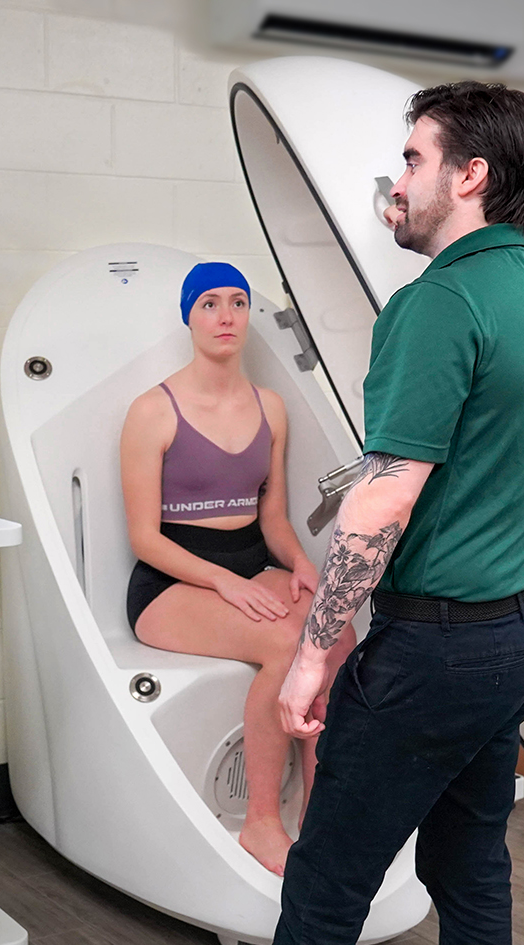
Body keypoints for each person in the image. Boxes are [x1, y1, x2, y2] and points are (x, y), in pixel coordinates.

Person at [132, 81, 524, 945]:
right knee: (473, 875)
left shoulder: (437, 305)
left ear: (471, 176)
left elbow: (382, 502)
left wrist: (316, 655)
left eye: (416, 159)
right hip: (522, 634)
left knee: (329, 874)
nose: (399, 181)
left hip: (438, 647)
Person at [120, 262, 358, 876]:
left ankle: (321, 811)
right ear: (188, 316)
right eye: (209, 304)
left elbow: (272, 517)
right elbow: (144, 539)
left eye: (237, 303)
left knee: (336, 634)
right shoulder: (153, 411)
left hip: (252, 563)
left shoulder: (270, 408)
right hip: (170, 583)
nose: (226, 316)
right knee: (287, 643)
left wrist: (303, 566)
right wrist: (224, 581)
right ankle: (261, 822)